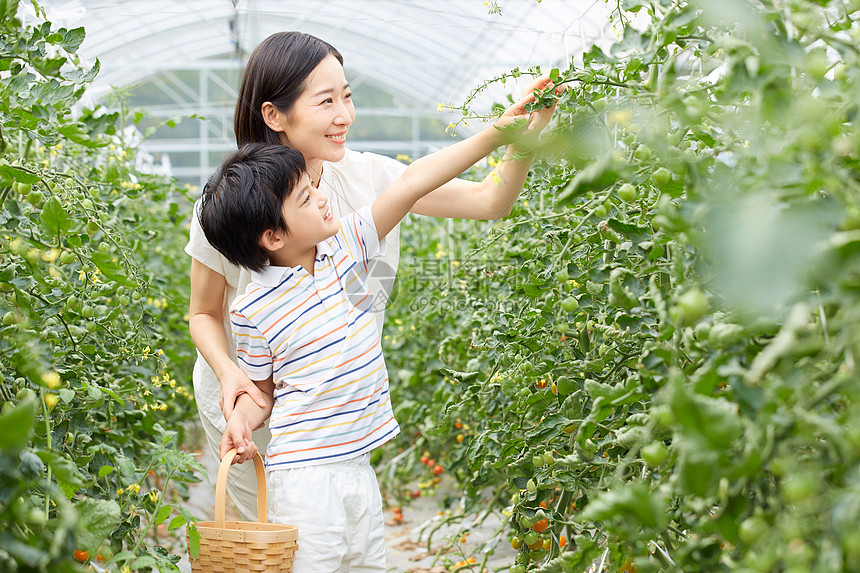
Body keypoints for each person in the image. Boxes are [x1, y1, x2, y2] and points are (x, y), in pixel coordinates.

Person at [186, 30, 559, 522]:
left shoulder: (366, 180)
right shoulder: (235, 209)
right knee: (283, 542)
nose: (345, 115)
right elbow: (204, 312)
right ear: (273, 113)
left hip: (339, 413)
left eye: (347, 96)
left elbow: (491, 201)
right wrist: (231, 375)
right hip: (251, 407)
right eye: (325, 101)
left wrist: (522, 138)